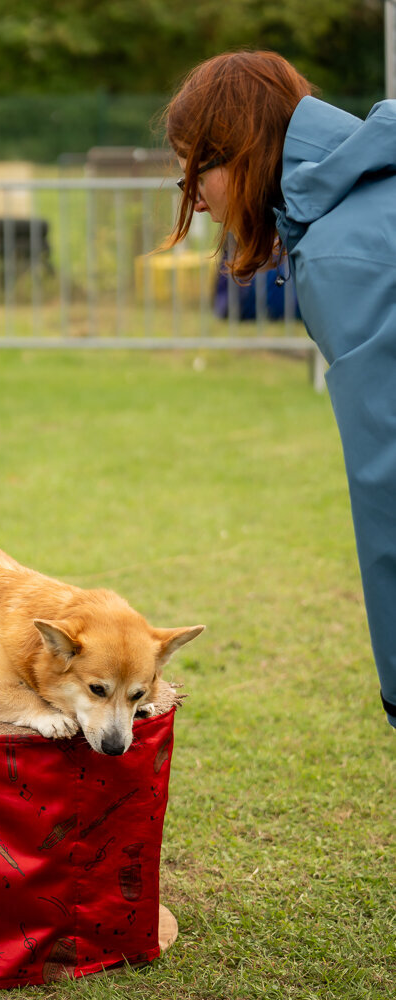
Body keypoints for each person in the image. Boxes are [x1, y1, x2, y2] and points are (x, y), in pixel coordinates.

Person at [164, 50, 396, 729]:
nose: (191, 194)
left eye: (196, 164)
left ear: (242, 149)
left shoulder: (341, 252)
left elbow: (386, 478)